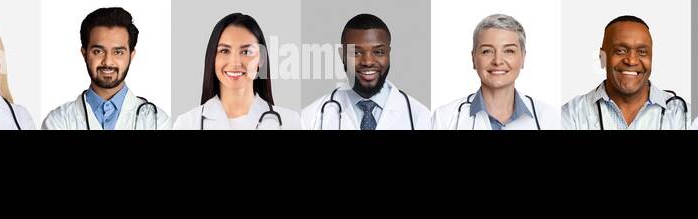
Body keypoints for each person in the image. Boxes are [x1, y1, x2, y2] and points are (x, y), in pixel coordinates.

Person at [42, 7, 170, 130]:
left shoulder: (157, 121)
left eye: (118, 52)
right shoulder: (58, 120)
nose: (108, 61)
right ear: (84, 54)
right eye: (98, 51)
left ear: (131, 56)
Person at [172, 13, 304, 130]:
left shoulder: (290, 122)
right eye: (224, 51)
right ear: (212, 57)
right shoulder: (187, 124)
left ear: (261, 59)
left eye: (246, 52)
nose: (235, 63)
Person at [300, 13, 431, 130]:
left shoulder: (421, 117)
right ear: (342, 55)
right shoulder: (310, 118)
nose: (368, 62)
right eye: (356, 52)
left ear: (389, 54)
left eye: (378, 52)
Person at [562, 15, 689, 130]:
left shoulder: (685, 116)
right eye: (620, 51)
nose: (632, 61)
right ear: (602, 57)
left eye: (642, 52)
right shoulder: (572, 114)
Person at [432, 14, 558, 130]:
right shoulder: (444, 119)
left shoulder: (550, 119)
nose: (497, 61)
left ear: (523, 57)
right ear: (473, 59)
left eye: (509, 51)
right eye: (487, 51)